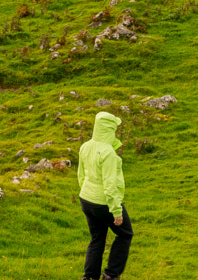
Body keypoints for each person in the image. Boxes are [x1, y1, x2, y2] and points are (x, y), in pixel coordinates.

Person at [77, 110, 132, 279]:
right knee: (125, 234)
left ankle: (89, 276)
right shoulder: (108, 152)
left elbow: (81, 175)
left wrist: (88, 194)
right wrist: (116, 211)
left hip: (86, 199)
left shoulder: (85, 146)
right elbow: (109, 185)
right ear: (109, 129)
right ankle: (111, 275)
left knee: (97, 237)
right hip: (104, 203)